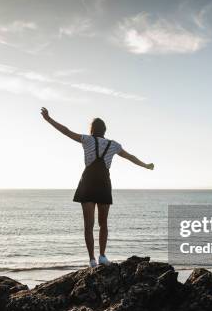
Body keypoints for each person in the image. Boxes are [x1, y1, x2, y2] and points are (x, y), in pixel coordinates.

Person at [40, 107, 154, 268]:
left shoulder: (86, 139)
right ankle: (102, 256)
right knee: (103, 224)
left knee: (89, 225)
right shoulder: (114, 145)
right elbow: (130, 157)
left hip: (87, 183)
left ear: (92, 129)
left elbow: (66, 131)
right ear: (105, 130)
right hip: (103, 184)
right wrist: (145, 165)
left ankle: (92, 260)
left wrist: (49, 119)